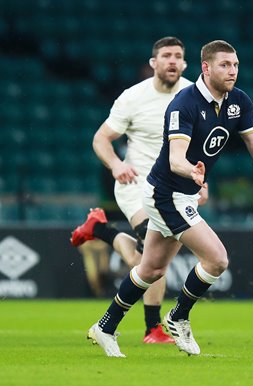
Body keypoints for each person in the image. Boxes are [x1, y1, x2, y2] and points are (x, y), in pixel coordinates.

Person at [86, 39, 253, 357]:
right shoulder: (185, 103)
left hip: (185, 194)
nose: (232, 71)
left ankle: (105, 326)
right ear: (206, 68)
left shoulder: (239, 101)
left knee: (150, 269)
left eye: (235, 64)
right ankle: (178, 316)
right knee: (217, 259)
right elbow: (175, 159)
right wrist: (193, 173)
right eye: (225, 65)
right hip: (165, 194)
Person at [71, 37, 201, 344]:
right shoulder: (132, 98)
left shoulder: (193, 95)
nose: (172, 61)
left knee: (150, 262)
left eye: (178, 56)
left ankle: (101, 230)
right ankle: (152, 328)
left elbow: (196, 145)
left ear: (184, 63)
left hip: (176, 188)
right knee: (152, 257)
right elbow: (101, 139)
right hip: (136, 184)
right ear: (153, 63)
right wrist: (116, 165)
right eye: (166, 55)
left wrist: (199, 178)